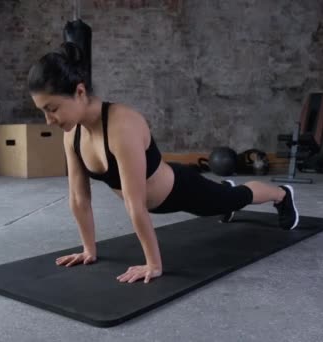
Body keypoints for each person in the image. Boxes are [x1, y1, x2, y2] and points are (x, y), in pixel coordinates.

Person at [27, 43, 299, 284]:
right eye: (43, 112)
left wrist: (154, 265)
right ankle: (225, 190)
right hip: (152, 202)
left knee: (235, 198)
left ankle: (281, 194)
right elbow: (78, 198)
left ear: (80, 91)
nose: (49, 120)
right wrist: (89, 250)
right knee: (224, 199)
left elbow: (135, 203)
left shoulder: (122, 125)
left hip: (180, 189)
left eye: (52, 109)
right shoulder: (72, 133)